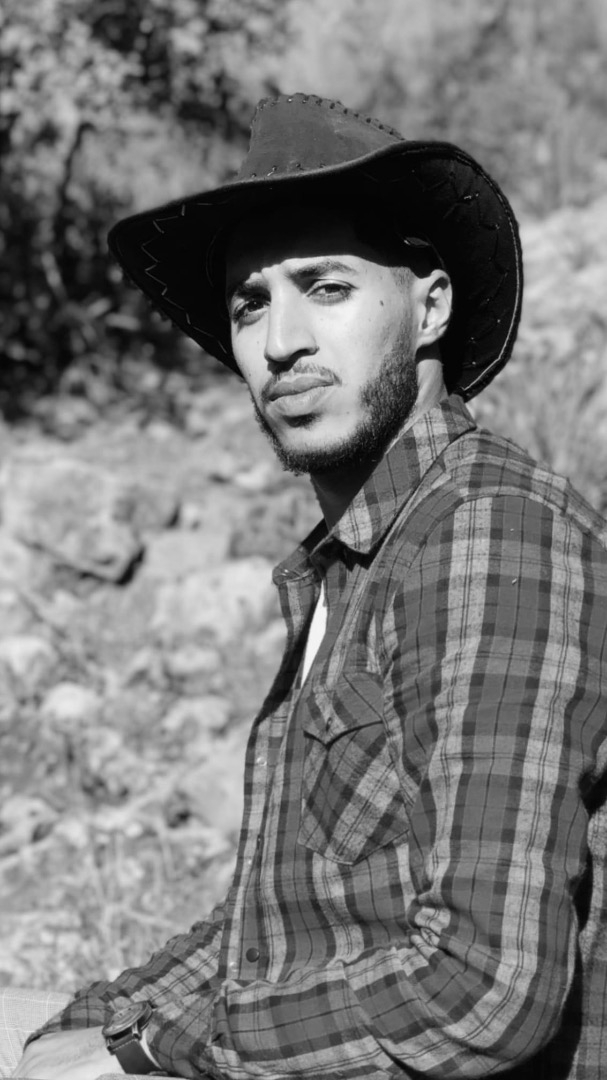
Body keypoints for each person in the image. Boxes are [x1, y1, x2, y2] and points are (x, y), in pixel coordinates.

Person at [8, 93, 607, 1080]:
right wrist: (100, 1019)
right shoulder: (354, 561)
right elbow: (277, 922)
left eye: (325, 287)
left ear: (430, 306)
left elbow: (483, 990)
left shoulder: (489, 533)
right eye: (250, 303)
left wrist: (142, 1050)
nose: (279, 339)